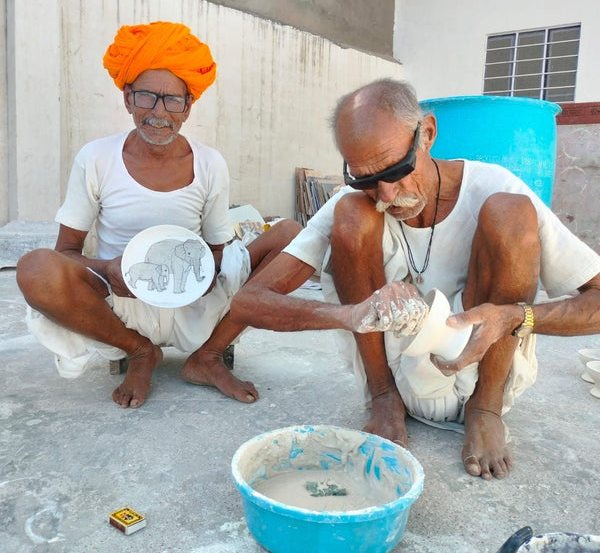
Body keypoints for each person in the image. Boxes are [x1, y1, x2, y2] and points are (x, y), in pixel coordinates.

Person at [229, 78, 600, 480]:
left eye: (398, 170)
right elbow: (249, 301)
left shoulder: (494, 184)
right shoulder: (360, 201)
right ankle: (384, 398)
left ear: (427, 133)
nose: (387, 194)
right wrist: (351, 314)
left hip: (480, 366)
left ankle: (485, 409)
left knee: (510, 213)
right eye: (365, 179)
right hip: (390, 373)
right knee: (352, 214)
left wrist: (515, 317)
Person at [16, 21, 302, 409]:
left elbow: (220, 250)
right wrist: (109, 269)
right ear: (127, 98)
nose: (159, 113)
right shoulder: (96, 158)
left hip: (194, 297)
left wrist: (204, 272)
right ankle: (138, 351)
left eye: (173, 100)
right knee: (35, 268)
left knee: (293, 235)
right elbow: (65, 251)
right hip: (121, 300)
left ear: (188, 106)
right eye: (147, 97)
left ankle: (209, 355)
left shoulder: (209, 163)